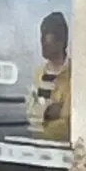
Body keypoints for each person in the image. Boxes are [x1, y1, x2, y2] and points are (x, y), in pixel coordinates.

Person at [26, 10, 71, 143]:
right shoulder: (39, 73)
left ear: (61, 40)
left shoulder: (73, 77)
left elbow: (67, 127)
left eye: (47, 35)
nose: (42, 41)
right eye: (41, 34)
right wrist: (48, 113)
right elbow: (29, 116)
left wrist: (40, 119)